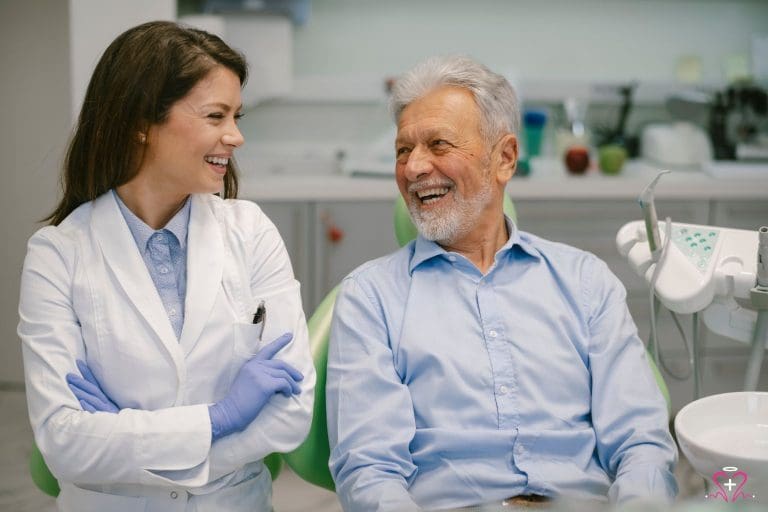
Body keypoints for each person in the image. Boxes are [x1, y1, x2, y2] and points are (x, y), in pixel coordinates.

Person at [325, 56, 677, 511]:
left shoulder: (583, 281)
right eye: (402, 150)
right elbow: (370, 472)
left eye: (438, 144)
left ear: (504, 158)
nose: (413, 168)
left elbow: (640, 443)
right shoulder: (371, 298)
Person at [18, 21, 315, 511]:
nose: (236, 137)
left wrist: (127, 438)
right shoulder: (58, 254)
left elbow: (291, 413)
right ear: (141, 120)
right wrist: (221, 418)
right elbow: (65, 443)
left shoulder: (250, 231)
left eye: (237, 116)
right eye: (216, 115)